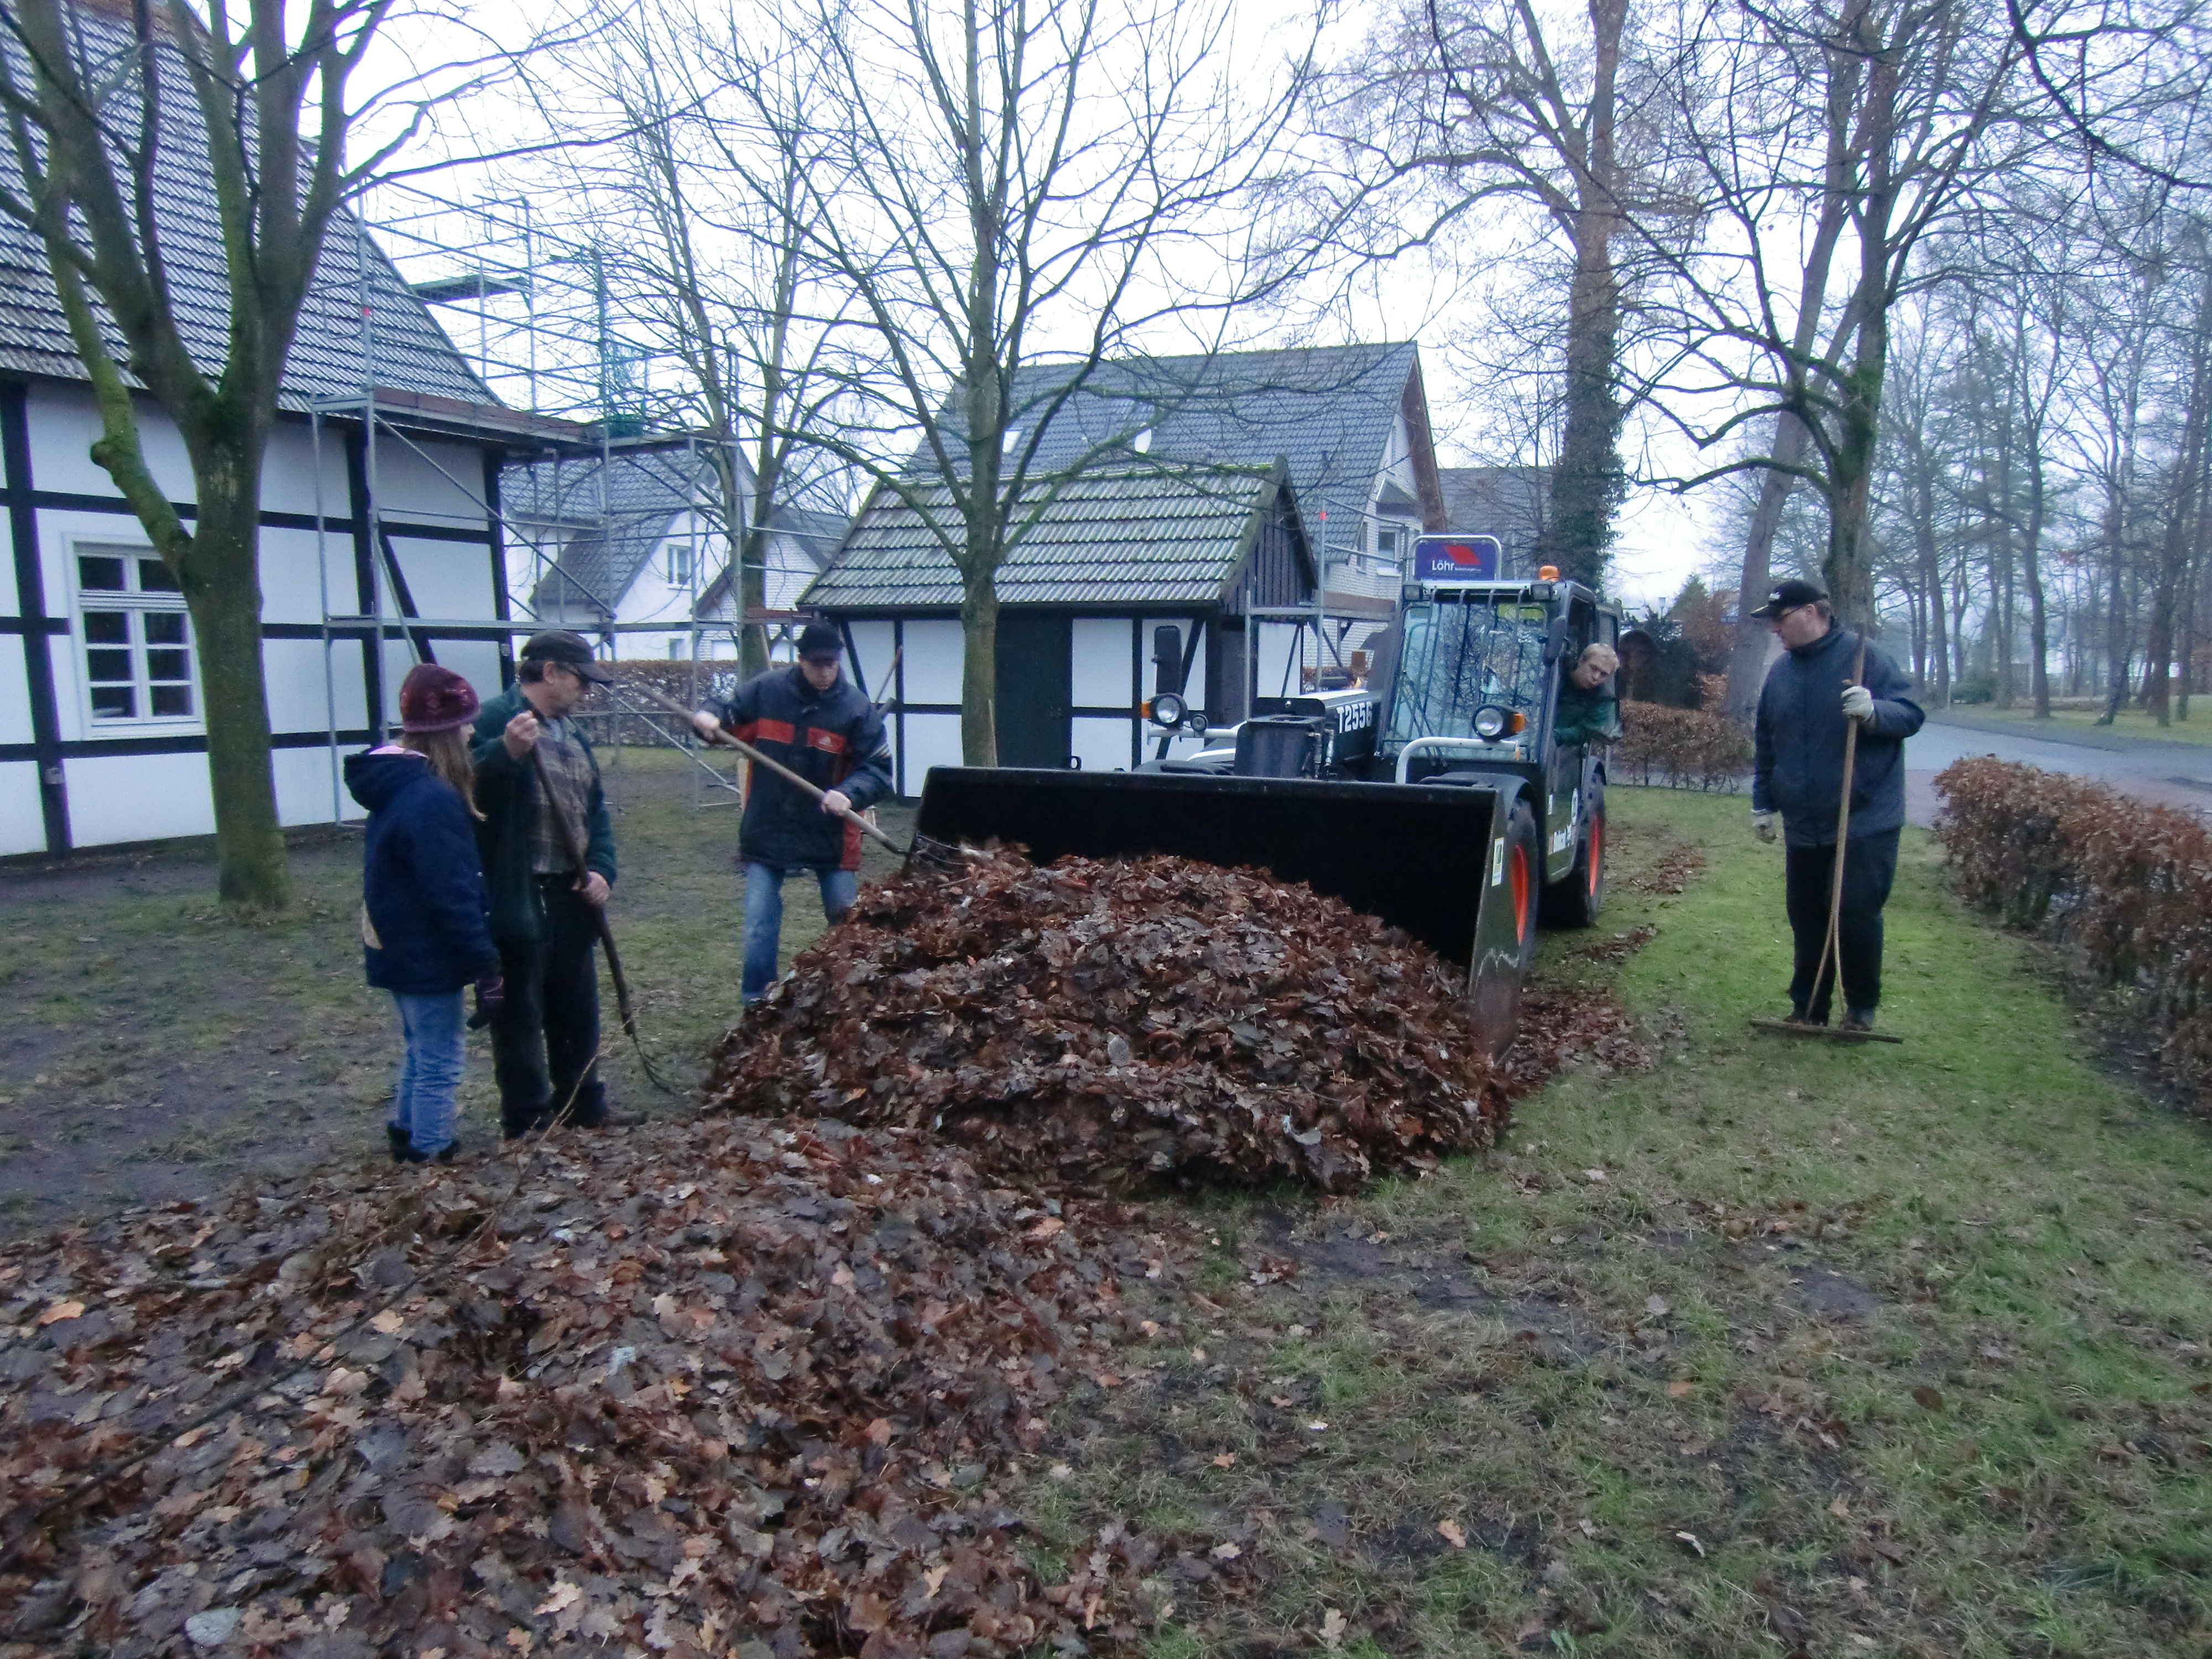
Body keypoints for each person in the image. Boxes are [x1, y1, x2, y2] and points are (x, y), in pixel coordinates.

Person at [470, 630, 629, 1138]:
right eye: (581, 679)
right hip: (521, 895)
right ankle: (528, 1118)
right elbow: (461, 786)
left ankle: (583, 1103)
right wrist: (504, 752)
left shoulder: (573, 735)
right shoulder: (495, 720)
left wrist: (601, 869)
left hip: (572, 896)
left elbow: (595, 813)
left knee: (576, 1008)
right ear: (551, 672)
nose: (587, 690)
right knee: (520, 1012)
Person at [1749, 578, 1924, 1032]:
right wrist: (1763, 803)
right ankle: (1809, 1007)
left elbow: (1911, 714)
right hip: (1805, 821)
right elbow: (1767, 742)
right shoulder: (1781, 674)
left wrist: (1875, 711)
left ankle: (1860, 1009)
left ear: (1811, 612)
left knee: (1853, 913)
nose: (1774, 629)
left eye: (1780, 619)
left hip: (1864, 817)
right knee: (1806, 916)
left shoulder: (1867, 659)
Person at [692, 620, 895, 1007]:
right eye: (817, 663)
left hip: (830, 834)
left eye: (831, 663)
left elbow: (878, 770)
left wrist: (848, 793)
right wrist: (709, 717)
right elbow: (727, 711)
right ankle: (757, 1004)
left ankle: (847, 1000)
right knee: (758, 923)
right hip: (770, 826)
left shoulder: (856, 709)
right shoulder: (767, 692)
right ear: (800, 660)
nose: (825, 671)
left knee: (846, 923)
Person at [346, 664, 502, 1164]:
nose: (473, 731)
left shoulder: (398, 787)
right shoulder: (431, 799)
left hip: (400, 942)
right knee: (441, 1058)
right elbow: (451, 892)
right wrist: (485, 964)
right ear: (447, 732)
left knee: (420, 1046)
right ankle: (432, 1151)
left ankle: (407, 1130)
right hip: (425, 948)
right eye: (466, 723)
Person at [1553, 642, 1621, 745]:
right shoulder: (1555, 672)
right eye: (1594, 668)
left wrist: (1553, 736)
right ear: (1581, 661)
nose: (1596, 677)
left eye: (1603, 674)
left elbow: (1582, 732)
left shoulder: (1604, 699)